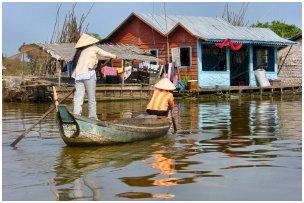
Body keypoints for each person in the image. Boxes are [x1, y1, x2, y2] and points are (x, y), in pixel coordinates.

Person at [72, 33, 116, 120]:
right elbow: (105, 54)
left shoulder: (80, 52)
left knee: (78, 98)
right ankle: (92, 117)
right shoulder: (93, 48)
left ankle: (76, 115)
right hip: (88, 75)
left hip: (78, 76)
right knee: (91, 98)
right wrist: (114, 55)